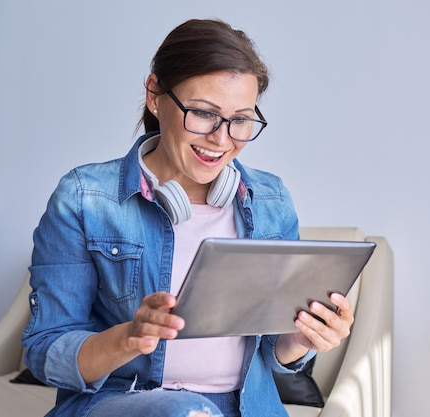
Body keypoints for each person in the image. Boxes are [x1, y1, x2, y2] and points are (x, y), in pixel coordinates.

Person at [22, 18, 354, 417]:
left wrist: (304, 336)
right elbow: (45, 351)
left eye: (241, 120)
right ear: (155, 94)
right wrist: (128, 338)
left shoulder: (271, 199)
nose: (221, 139)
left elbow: (275, 351)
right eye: (202, 113)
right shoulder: (84, 197)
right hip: (122, 403)